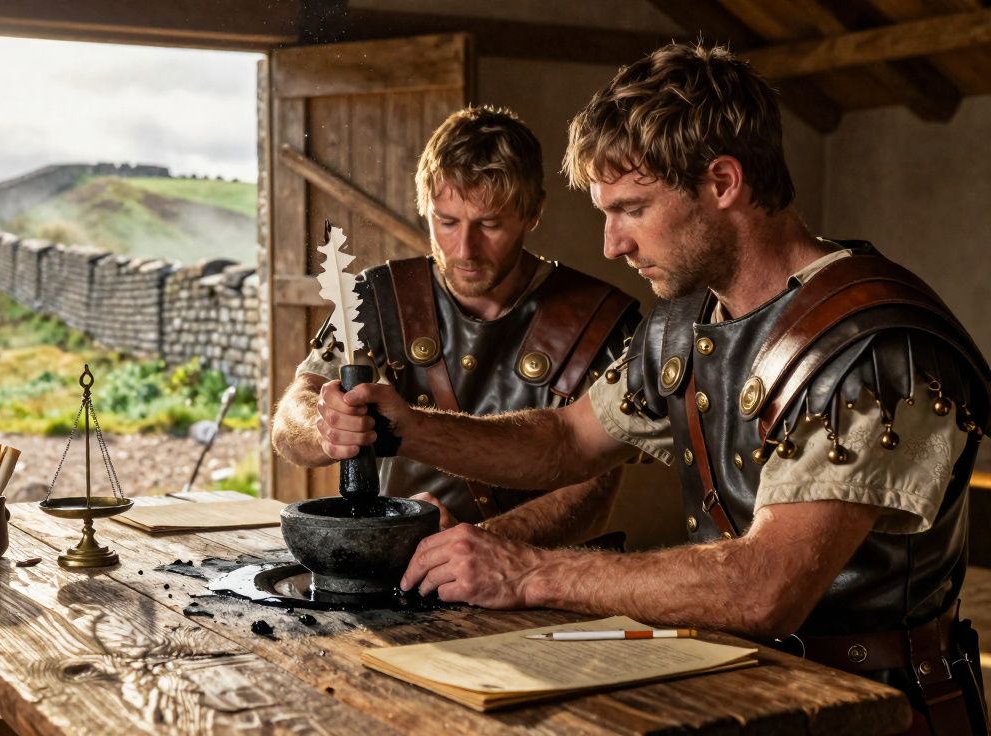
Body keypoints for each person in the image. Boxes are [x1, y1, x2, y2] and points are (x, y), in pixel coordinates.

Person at [316, 44, 989, 734]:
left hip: (870, 713)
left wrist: (525, 572)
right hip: (737, 693)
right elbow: (565, 439)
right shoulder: (686, 322)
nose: (612, 244)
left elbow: (766, 588)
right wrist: (404, 425)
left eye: (632, 209)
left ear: (723, 182)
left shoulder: (873, 345)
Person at [272, 105, 640, 543]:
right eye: (446, 222)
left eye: (490, 224)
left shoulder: (599, 318)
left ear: (533, 213)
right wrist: (324, 425)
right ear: (424, 207)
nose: (465, 249)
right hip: (399, 562)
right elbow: (291, 421)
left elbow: (592, 492)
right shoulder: (376, 296)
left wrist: (480, 542)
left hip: (541, 578)